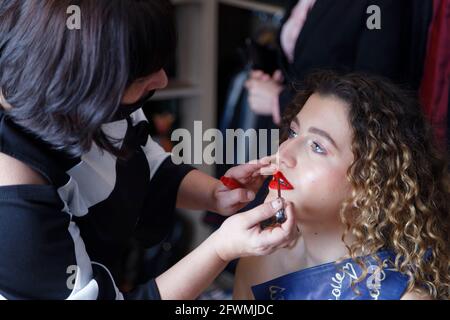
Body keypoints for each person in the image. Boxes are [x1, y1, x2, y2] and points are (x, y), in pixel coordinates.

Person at [0, 0, 298, 300]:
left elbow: (145, 162)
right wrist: (220, 249)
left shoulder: (97, 101)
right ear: (81, 84)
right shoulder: (15, 202)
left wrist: (216, 194)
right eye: (142, 77)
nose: (162, 80)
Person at [233, 71, 450, 300]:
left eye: (317, 146)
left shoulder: (406, 296)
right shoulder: (260, 260)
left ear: (369, 184)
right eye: (293, 132)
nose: (283, 153)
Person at [245, 0, 418, 127]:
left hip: (321, 144)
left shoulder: (379, 6)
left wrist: (280, 101)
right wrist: (268, 74)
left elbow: (373, 93)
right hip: (285, 128)